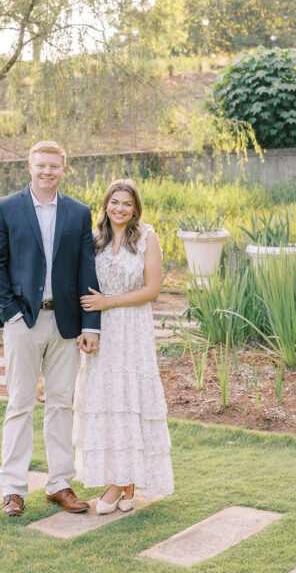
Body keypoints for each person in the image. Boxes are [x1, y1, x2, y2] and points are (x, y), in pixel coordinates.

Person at [0, 140, 101, 517]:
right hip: (23, 322)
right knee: (19, 403)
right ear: (29, 167)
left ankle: (60, 484)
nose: (47, 172)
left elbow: (87, 270)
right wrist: (10, 312)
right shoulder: (6, 208)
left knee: (61, 405)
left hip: (65, 323)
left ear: (63, 169)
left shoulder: (79, 213)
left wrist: (90, 325)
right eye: (41, 165)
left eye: (54, 166)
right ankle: (13, 489)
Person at [73, 178, 174, 511]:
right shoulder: (94, 240)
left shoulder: (147, 237)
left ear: (135, 208)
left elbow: (152, 289)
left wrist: (110, 302)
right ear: (105, 204)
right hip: (102, 330)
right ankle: (125, 482)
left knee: (130, 399)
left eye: (127, 203)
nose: (120, 208)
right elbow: (83, 285)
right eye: (114, 202)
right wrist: (88, 323)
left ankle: (118, 484)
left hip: (133, 327)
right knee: (107, 399)